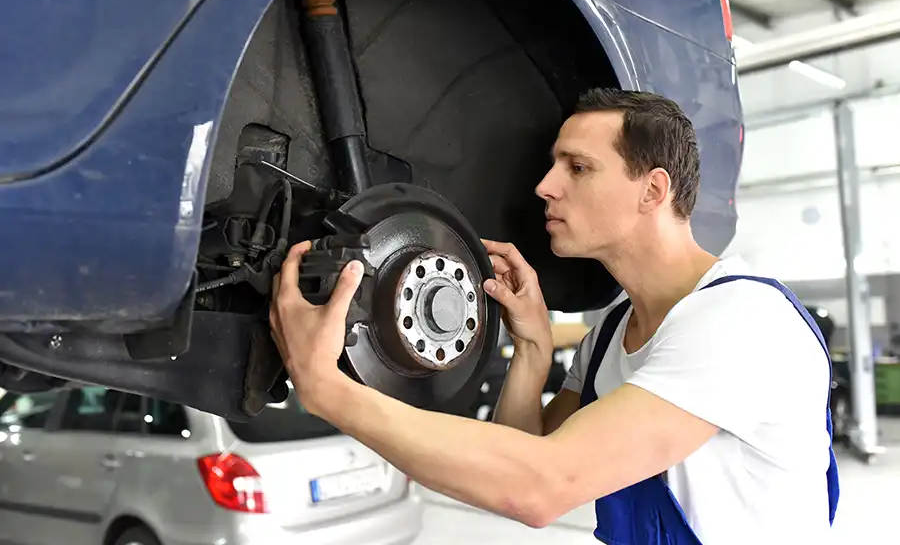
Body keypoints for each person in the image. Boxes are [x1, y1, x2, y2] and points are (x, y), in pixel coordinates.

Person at [269, 88, 839, 544]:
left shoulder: (740, 320)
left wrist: (326, 390)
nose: (546, 187)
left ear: (653, 189)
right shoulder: (612, 333)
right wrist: (534, 349)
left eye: (579, 167)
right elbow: (524, 452)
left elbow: (542, 487)